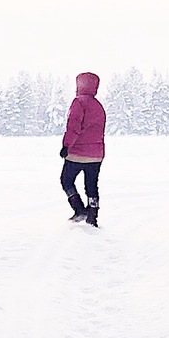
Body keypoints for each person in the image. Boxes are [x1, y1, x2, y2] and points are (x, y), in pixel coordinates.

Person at [60, 71, 106, 226]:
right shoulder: (98, 106)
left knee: (66, 180)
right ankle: (92, 216)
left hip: (77, 153)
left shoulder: (78, 102)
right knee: (91, 185)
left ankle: (79, 209)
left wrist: (66, 146)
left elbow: (73, 126)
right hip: (96, 155)